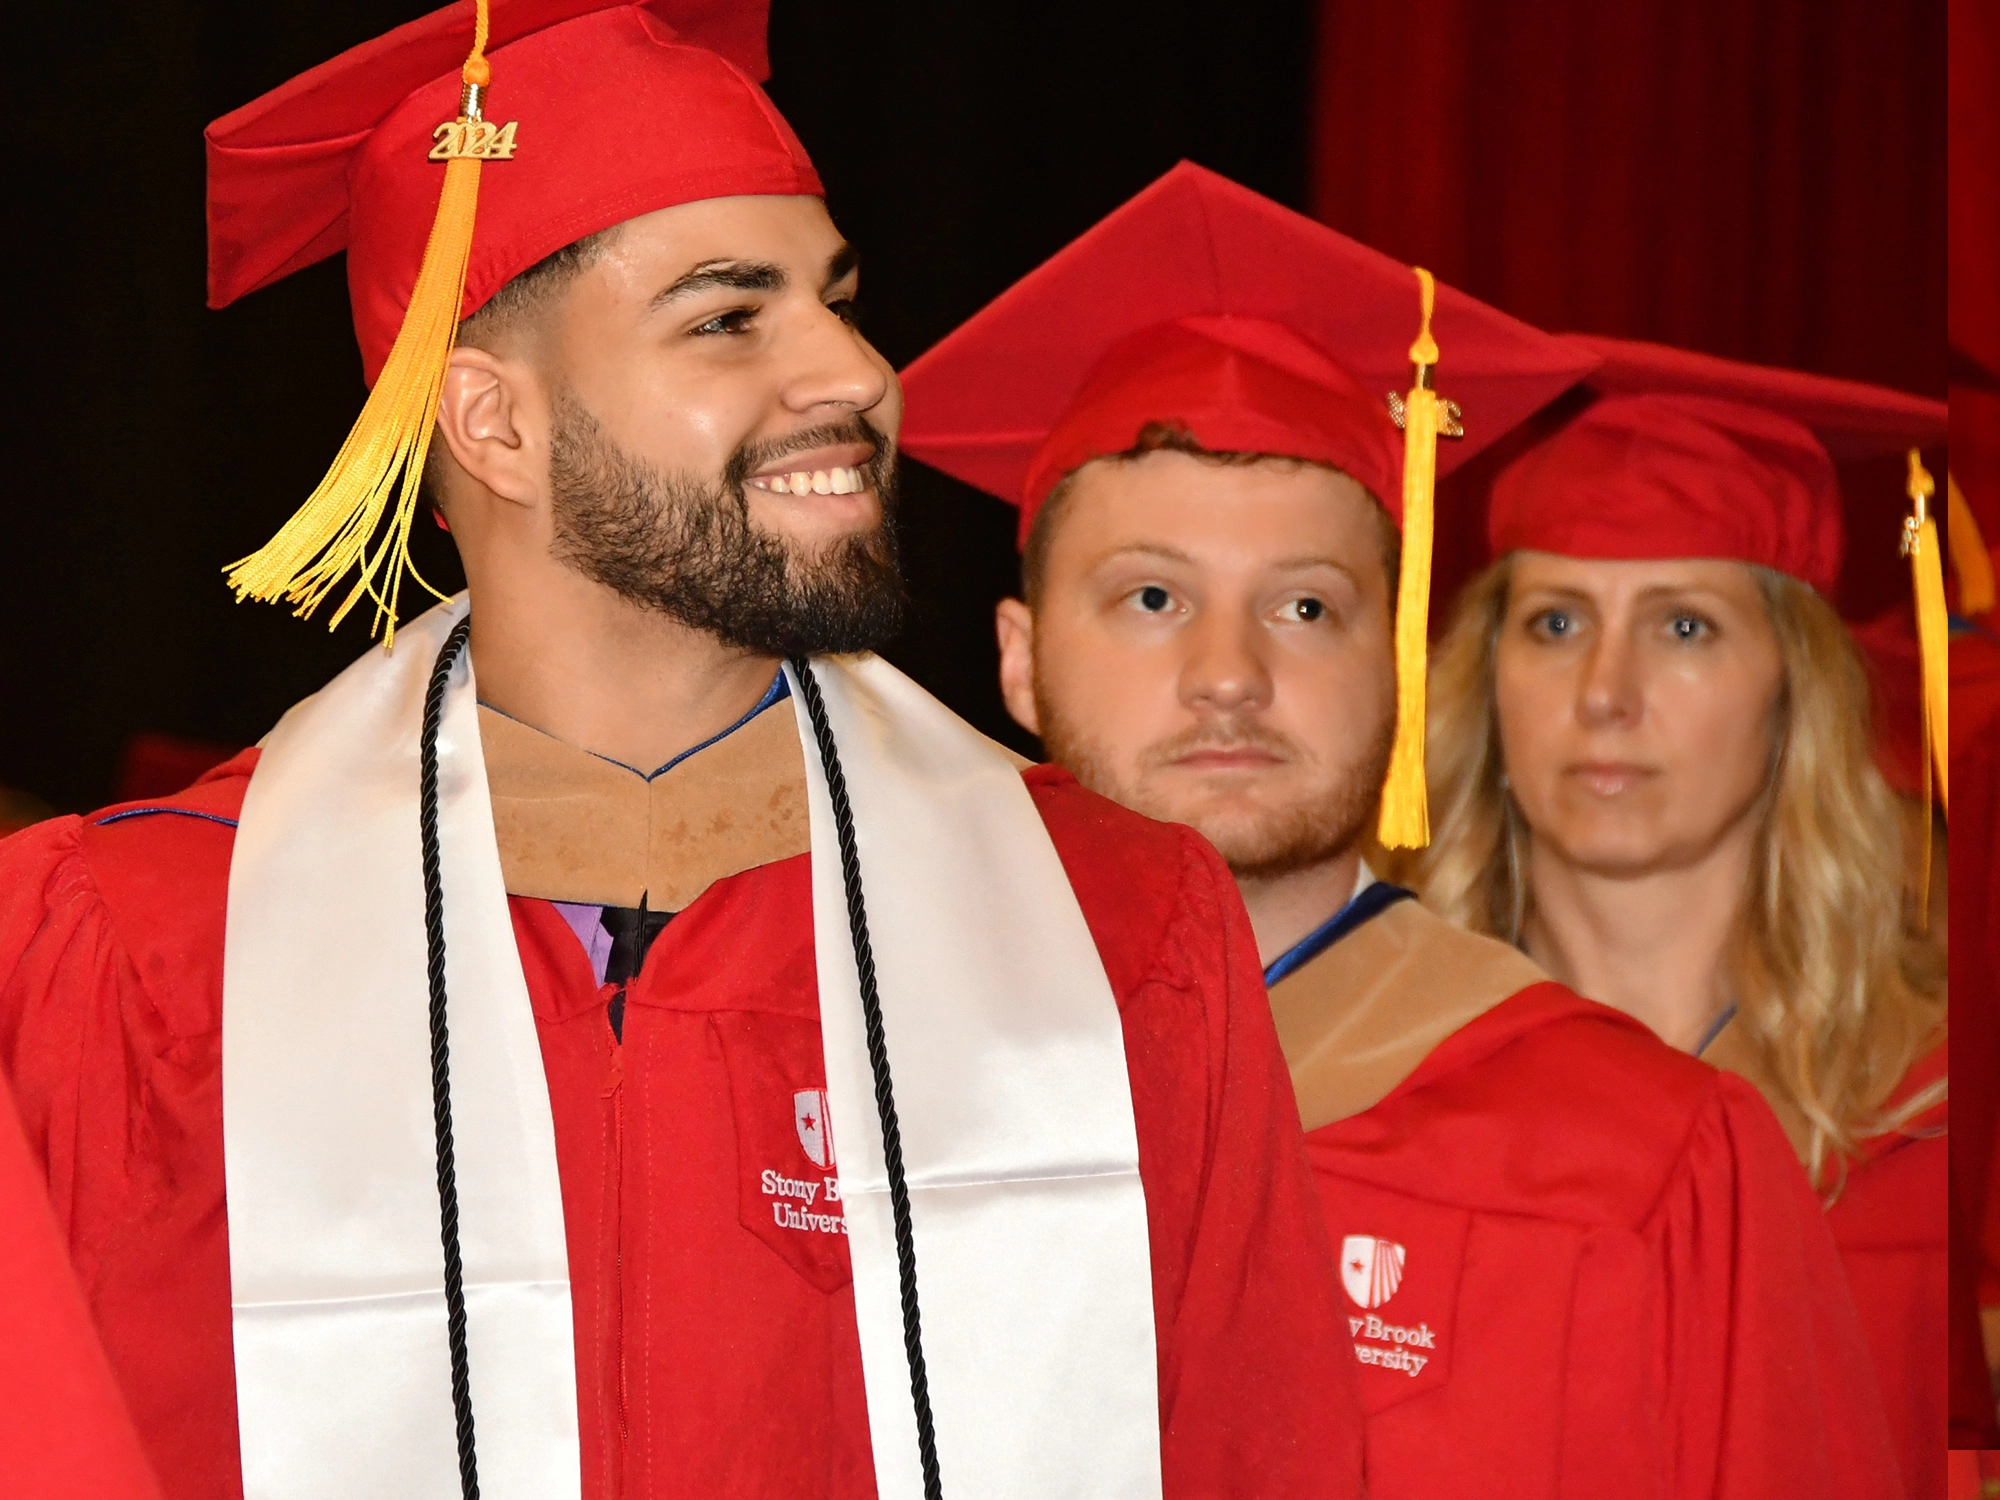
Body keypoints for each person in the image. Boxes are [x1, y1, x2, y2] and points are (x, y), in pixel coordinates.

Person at [0, 6, 1365, 1498]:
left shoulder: (1111, 928)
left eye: (839, 298)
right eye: (731, 316)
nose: (851, 368)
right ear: (495, 425)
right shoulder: (123, 956)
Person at [897, 161, 1904, 1499]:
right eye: (1149, 599)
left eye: (1306, 608)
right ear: (1019, 663)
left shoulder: (1651, 1163)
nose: (1229, 675)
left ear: (1405, 664)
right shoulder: (854, 1083)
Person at [1418, 334, 1951, 1495]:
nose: (1603, 694)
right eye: (1554, 623)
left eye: (1682, 626)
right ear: (1486, 678)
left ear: (1791, 691)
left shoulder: (1933, 1118)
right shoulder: (1378, 1083)